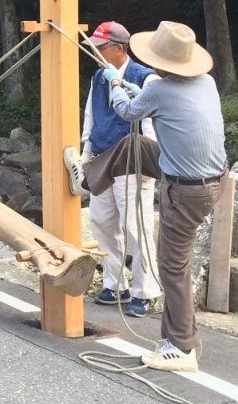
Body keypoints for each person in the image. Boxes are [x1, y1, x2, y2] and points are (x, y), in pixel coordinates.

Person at [106, 21, 226, 373]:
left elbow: (127, 111)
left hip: (186, 189)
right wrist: (130, 85)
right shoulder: (207, 82)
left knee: (172, 266)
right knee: (136, 144)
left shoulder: (159, 89)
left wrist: (114, 82)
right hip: (213, 180)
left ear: (161, 63)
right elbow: (152, 102)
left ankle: (181, 347)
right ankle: (94, 176)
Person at [76, 21, 163, 318]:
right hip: (102, 157)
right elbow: (91, 115)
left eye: (101, 49)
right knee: (102, 222)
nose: (97, 55)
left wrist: (147, 159)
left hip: (131, 160)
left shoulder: (146, 78)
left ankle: (146, 291)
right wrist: (86, 152)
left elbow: (152, 127)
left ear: (118, 49)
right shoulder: (98, 77)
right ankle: (115, 284)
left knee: (136, 227)